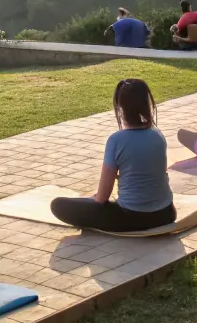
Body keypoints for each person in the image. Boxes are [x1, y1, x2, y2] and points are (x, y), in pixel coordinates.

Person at [50, 79, 176, 232]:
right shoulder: (158, 136)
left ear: (120, 108)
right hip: (166, 213)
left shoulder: (116, 140)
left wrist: (90, 200)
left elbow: (102, 197)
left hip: (131, 218)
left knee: (58, 205)